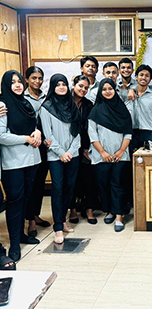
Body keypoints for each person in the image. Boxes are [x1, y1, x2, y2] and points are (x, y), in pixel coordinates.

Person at [0, 70, 42, 264]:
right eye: (13, 82)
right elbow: (2, 136)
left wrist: (37, 132)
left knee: (26, 198)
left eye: (19, 81)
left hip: (31, 159)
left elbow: (33, 124)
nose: (17, 85)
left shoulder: (25, 103)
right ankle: (15, 244)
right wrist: (26, 138)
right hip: (13, 162)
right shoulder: (3, 105)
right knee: (15, 202)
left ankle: (22, 235)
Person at [40, 74, 81, 244]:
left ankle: (63, 220)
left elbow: (78, 132)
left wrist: (70, 151)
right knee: (57, 189)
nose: (62, 87)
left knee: (69, 189)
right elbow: (48, 135)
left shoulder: (72, 106)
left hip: (73, 155)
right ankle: (57, 227)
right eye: (58, 84)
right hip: (55, 156)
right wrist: (61, 153)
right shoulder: (46, 107)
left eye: (64, 84)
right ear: (53, 87)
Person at [88, 79, 132, 232]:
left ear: (115, 90)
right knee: (104, 184)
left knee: (117, 184)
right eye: (104, 89)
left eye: (110, 88)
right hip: (101, 155)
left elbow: (128, 132)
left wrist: (121, 151)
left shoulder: (122, 109)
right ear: (100, 92)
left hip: (120, 155)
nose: (107, 91)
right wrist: (102, 152)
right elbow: (92, 134)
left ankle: (119, 216)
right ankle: (110, 211)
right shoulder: (95, 111)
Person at [24, 66, 51, 237]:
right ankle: (30, 221)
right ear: (27, 79)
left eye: (40, 78)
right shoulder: (21, 98)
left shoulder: (46, 97)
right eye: (34, 78)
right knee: (30, 183)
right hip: (29, 144)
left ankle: (36, 215)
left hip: (45, 145)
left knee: (40, 182)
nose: (37, 81)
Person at [69, 75, 97, 224]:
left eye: (86, 88)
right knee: (72, 179)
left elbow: (90, 128)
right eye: (80, 86)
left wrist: (87, 147)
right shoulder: (65, 101)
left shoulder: (88, 104)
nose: (83, 90)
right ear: (73, 85)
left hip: (85, 146)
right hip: (68, 147)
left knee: (88, 178)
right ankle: (73, 209)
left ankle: (89, 209)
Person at [131, 65, 152, 150]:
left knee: (148, 156)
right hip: (131, 131)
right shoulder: (130, 94)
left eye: (147, 76)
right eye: (141, 75)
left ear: (150, 79)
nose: (144, 78)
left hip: (148, 132)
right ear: (136, 77)